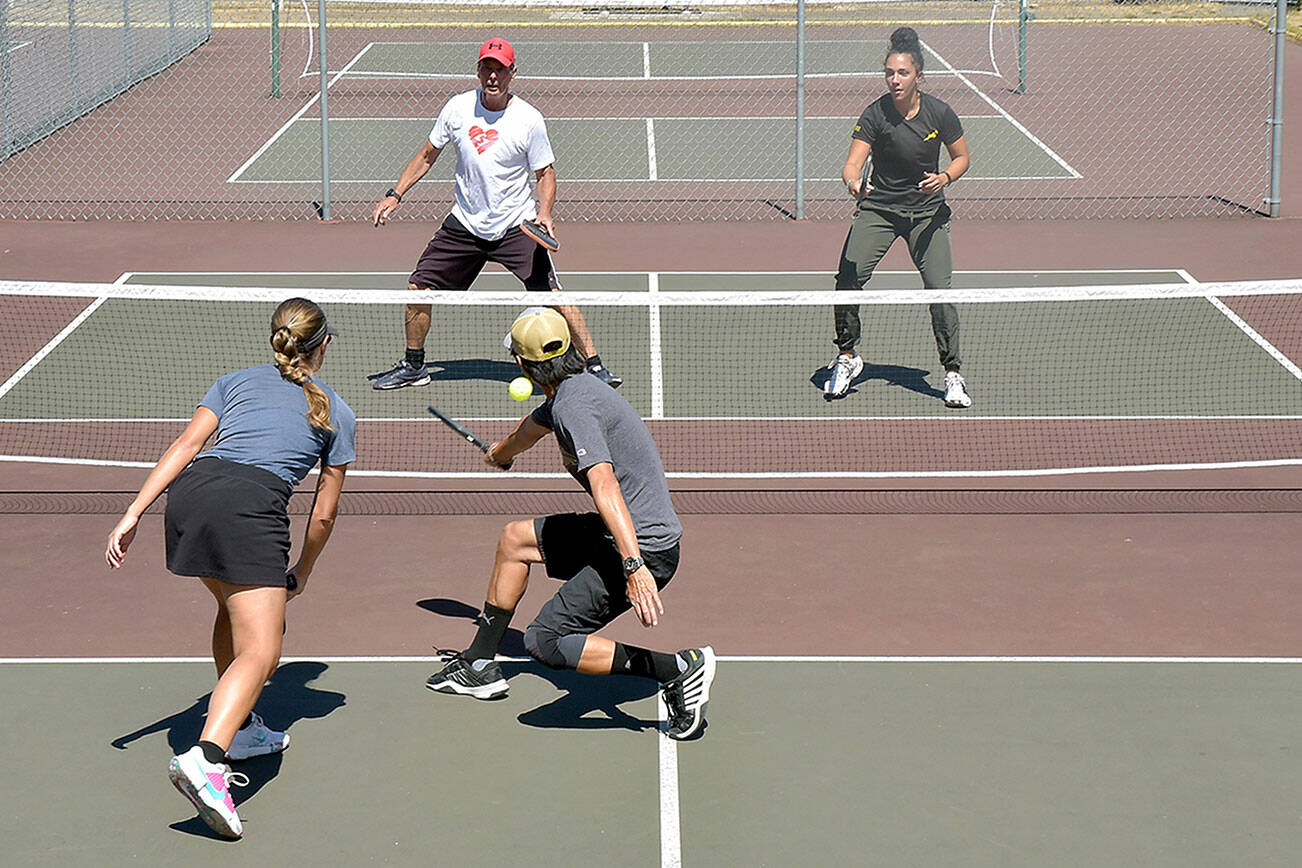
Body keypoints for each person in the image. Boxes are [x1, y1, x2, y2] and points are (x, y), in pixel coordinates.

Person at [105, 298, 355, 839]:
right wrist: (303, 571)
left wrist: (134, 511)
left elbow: (187, 444)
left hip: (192, 496)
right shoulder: (337, 410)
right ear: (324, 344)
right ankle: (209, 759)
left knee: (231, 606)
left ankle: (237, 727)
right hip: (248, 509)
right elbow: (325, 513)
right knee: (264, 650)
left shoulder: (235, 381)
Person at [424, 307, 716, 740]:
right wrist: (501, 454)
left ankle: (677, 669)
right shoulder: (571, 391)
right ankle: (480, 664)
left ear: (522, 365)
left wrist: (634, 568)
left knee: (544, 642)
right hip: (616, 532)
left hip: (644, 548)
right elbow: (531, 427)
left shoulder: (574, 408)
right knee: (515, 540)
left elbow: (604, 481)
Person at [369, 37, 621, 391]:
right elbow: (428, 154)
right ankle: (414, 366)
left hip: (515, 224)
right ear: (478, 70)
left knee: (551, 295)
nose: (492, 76)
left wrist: (545, 213)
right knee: (418, 285)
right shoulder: (457, 109)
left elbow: (545, 173)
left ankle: (594, 367)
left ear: (512, 73)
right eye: (486, 67)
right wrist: (395, 194)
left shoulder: (528, 119)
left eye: (499, 69)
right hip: (466, 222)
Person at [826, 26, 973, 408]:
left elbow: (962, 159)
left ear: (918, 76)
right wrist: (855, 185)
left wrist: (944, 178)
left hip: (928, 216)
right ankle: (847, 358)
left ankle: (952, 373)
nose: (894, 79)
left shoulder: (940, 113)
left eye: (902, 73)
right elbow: (851, 166)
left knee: (940, 292)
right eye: (889, 72)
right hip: (880, 209)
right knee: (848, 277)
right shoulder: (875, 114)